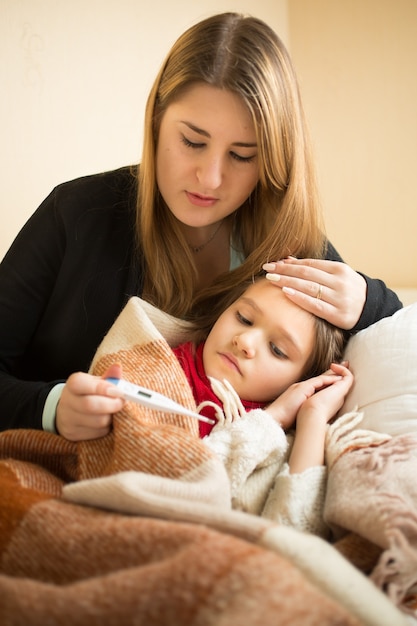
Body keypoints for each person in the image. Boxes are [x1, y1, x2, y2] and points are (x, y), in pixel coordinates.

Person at [0, 12, 400, 440]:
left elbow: (396, 339)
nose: (210, 179)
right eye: (192, 142)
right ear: (155, 120)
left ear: (272, 160)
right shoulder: (76, 213)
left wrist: (367, 300)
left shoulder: (289, 245)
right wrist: (51, 406)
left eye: (242, 155)